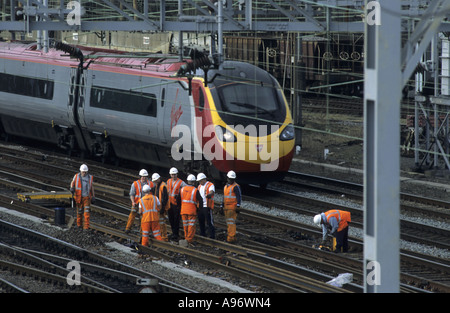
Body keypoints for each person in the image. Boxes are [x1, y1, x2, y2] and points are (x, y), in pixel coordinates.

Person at [125, 169, 153, 234]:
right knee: (132, 215)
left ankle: (142, 231)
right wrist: (133, 202)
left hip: (145, 204)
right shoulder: (135, 184)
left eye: (145, 176)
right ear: (140, 176)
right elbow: (132, 194)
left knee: (143, 218)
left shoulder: (150, 184)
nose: (144, 178)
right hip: (137, 203)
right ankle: (128, 228)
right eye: (142, 176)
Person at [70, 164, 95, 230]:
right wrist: (71, 188)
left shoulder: (90, 177)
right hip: (79, 198)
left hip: (86, 198)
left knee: (86, 213)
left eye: (85, 172)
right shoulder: (76, 176)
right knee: (79, 212)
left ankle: (86, 228)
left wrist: (93, 196)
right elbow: (72, 182)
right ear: (80, 171)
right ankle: (79, 225)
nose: (84, 173)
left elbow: (92, 187)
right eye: (83, 172)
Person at [180, 174, 203, 244]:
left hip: (183, 210)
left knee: (185, 225)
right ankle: (189, 240)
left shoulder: (182, 189)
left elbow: (178, 199)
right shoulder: (195, 190)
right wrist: (199, 209)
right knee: (191, 225)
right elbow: (201, 200)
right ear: (193, 182)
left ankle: (186, 237)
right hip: (192, 211)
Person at [166, 167, 186, 240]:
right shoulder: (168, 181)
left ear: (177, 174)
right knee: (171, 219)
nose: (173, 176)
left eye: (174, 174)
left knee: (176, 219)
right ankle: (173, 233)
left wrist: (180, 195)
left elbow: (186, 189)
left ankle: (176, 234)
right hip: (170, 203)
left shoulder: (181, 182)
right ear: (170, 175)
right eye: (172, 175)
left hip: (176, 204)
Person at [222, 170, 241, 243]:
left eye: (232, 179)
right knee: (229, 223)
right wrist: (221, 205)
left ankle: (231, 238)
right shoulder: (226, 187)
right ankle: (231, 236)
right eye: (230, 179)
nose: (231, 180)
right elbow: (224, 197)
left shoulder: (235, 187)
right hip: (226, 207)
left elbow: (239, 196)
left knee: (231, 223)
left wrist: (238, 206)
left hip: (232, 208)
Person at [196, 173, 215, 239]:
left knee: (209, 221)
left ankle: (212, 236)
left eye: (200, 181)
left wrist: (209, 194)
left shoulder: (210, 185)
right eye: (199, 181)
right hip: (200, 207)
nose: (200, 182)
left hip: (207, 206)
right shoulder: (199, 186)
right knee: (201, 221)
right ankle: (202, 234)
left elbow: (212, 191)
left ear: (204, 179)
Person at [152, 172, 169, 241]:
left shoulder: (163, 186)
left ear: (159, 179)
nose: (155, 182)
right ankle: (161, 236)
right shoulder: (157, 185)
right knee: (159, 222)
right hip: (158, 207)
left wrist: (162, 208)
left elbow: (165, 198)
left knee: (162, 222)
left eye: (156, 180)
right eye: (154, 181)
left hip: (162, 207)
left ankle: (164, 237)